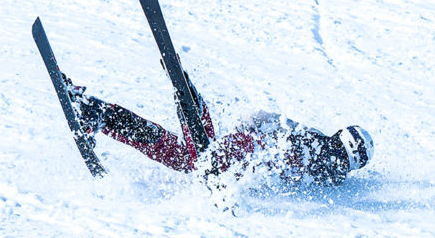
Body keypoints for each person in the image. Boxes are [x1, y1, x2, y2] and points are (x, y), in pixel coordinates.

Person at [62, 73, 374, 187]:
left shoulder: (317, 150)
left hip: (232, 164)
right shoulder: (321, 163)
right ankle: (193, 105)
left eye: (339, 159)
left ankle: (96, 112)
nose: (331, 161)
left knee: (189, 159)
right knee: (198, 160)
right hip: (234, 161)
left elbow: (265, 120)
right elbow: (266, 125)